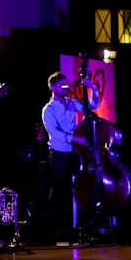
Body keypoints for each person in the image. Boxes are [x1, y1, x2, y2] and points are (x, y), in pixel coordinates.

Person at [41, 71, 99, 241]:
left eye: (67, 85)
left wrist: (93, 88)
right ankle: (60, 227)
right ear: (53, 87)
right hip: (59, 153)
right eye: (62, 85)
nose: (66, 88)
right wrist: (75, 137)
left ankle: (79, 222)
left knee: (80, 186)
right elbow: (54, 133)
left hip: (75, 152)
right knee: (61, 190)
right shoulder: (48, 110)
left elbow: (92, 106)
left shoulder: (71, 103)